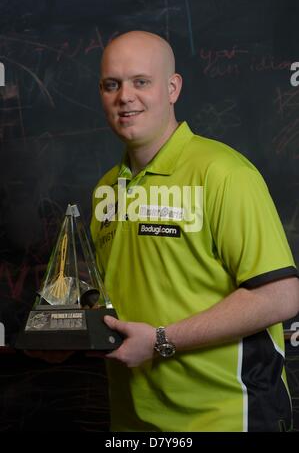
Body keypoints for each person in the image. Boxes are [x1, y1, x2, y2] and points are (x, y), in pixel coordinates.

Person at [90, 30, 299, 432]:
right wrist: (61, 340)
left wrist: (161, 340)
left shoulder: (222, 173)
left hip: (226, 417)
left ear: (172, 88)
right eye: (111, 85)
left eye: (141, 81)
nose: (124, 97)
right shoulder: (106, 188)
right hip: (134, 424)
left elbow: (281, 295)